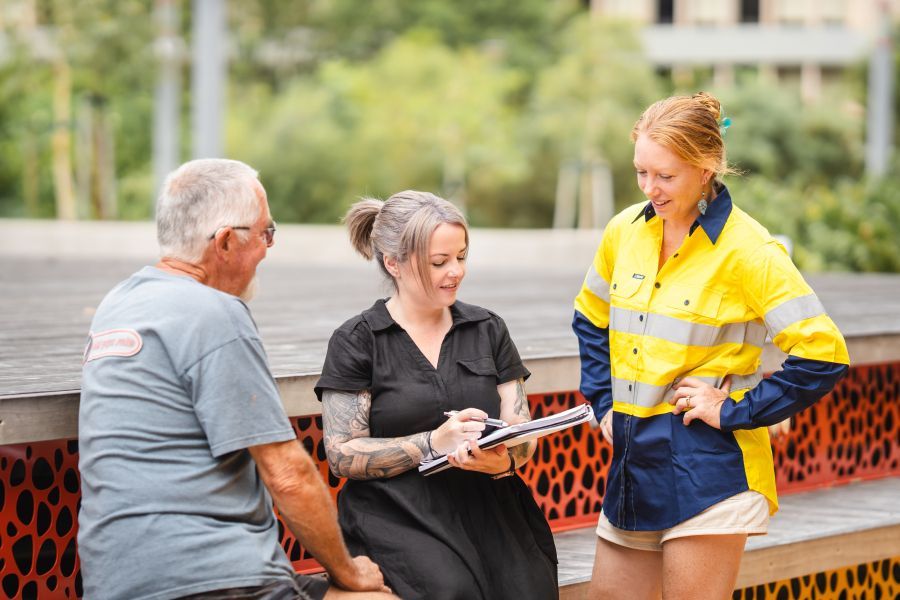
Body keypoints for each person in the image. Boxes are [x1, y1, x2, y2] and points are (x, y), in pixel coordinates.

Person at [572, 93, 849, 599]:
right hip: (635, 462)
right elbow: (591, 320)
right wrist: (604, 403)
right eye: (641, 173)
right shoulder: (622, 233)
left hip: (710, 464)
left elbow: (824, 354)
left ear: (706, 169)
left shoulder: (750, 252)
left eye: (665, 176)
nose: (649, 189)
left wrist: (736, 409)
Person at [78, 159, 394, 600]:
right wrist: (348, 572)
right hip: (212, 578)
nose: (269, 246)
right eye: (267, 232)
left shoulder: (119, 303)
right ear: (225, 242)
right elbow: (287, 475)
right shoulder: (214, 313)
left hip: (116, 582)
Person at [315, 191, 559, 600]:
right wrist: (432, 443)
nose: (456, 272)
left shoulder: (488, 328)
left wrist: (504, 456)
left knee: (527, 589)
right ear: (393, 263)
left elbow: (521, 428)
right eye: (438, 262)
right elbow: (340, 454)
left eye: (461, 257)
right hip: (398, 512)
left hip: (490, 501)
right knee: (451, 590)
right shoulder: (358, 340)